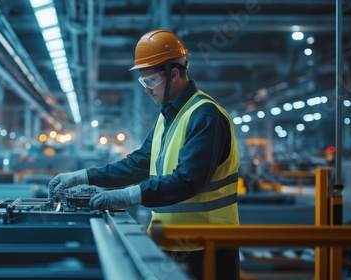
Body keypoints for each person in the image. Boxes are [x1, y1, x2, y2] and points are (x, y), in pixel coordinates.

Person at [48, 29, 240, 280]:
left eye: (150, 82)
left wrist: (128, 195)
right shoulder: (168, 117)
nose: (147, 90)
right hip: (169, 240)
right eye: (144, 83)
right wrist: (84, 176)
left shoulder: (205, 116)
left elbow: (189, 180)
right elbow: (137, 164)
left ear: (174, 74)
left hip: (208, 247)